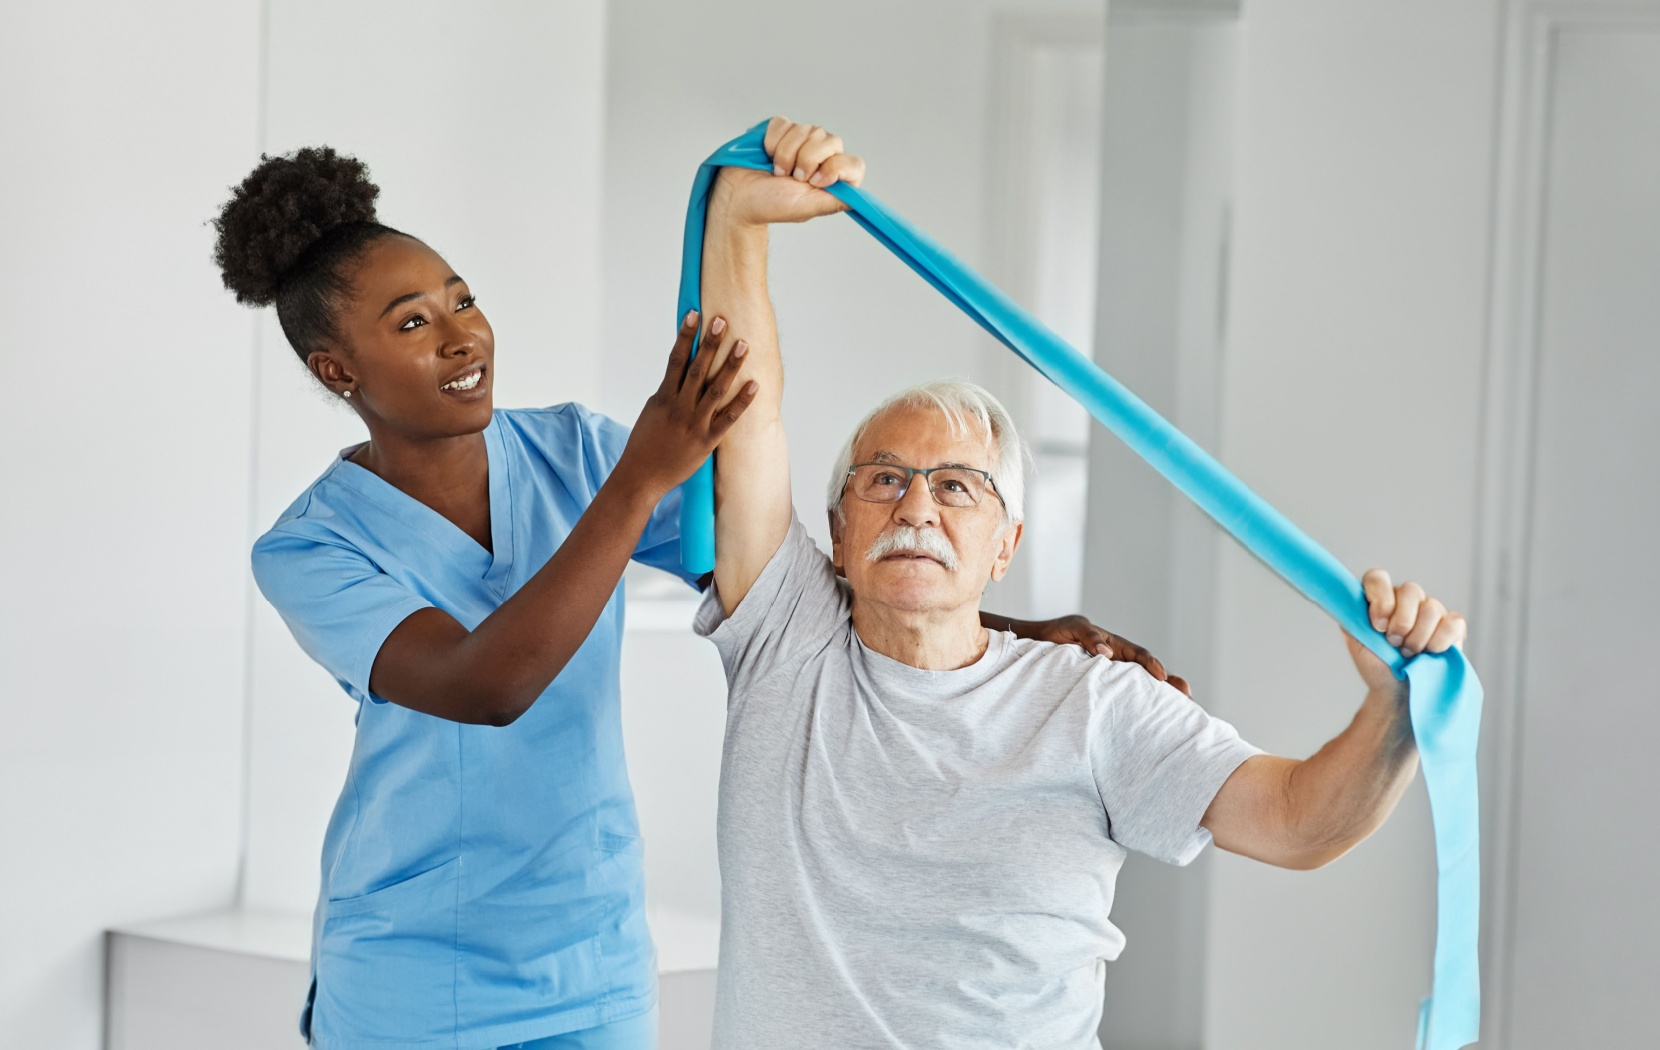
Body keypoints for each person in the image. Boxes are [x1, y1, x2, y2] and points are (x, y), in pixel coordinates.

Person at [211, 135, 1160, 1050]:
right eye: (413, 322)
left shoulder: (570, 449)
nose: (464, 337)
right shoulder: (310, 546)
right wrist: (639, 476)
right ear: (337, 369)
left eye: (464, 301)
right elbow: (484, 685)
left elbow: (780, 589)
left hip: (591, 957)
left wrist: (1004, 627)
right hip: (412, 975)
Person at [690, 120, 1469, 1049]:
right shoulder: (788, 639)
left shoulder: (1095, 704)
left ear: (1005, 544)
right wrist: (739, 218)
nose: (917, 508)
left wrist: (1392, 708)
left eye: (958, 486)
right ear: (837, 528)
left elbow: (1298, 823)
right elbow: (745, 414)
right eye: (884, 478)